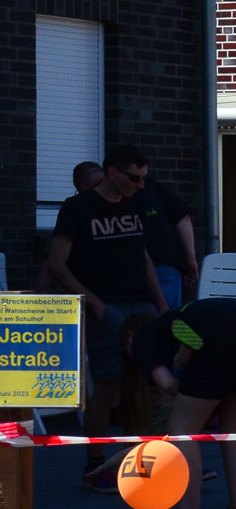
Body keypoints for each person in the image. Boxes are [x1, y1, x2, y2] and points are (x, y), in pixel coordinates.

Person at [124, 297, 236, 509]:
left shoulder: (142, 336)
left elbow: (168, 385)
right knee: (234, 427)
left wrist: (194, 386)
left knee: (181, 428)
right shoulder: (172, 324)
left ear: (129, 337)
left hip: (224, 333)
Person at [45, 144, 167, 451]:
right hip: (105, 305)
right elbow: (56, 263)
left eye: (143, 178)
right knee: (109, 386)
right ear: (112, 173)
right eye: (134, 178)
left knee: (153, 381)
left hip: (141, 302)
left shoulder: (135, 203)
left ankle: (150, 457)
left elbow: (142, 256)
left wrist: (161, 302)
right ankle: (96, 463)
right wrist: (93, 302)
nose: (139, 185)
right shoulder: (78, 208)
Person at [129, 149, 200, 310]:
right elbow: (182, 218)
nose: (140, 185)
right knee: (164, 318)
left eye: (142, 178)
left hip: (160, 266)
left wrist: (190, 260)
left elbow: (182, 217)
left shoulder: (151, 189)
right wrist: (190, 260)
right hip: (161, 265)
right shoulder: (154, 188)